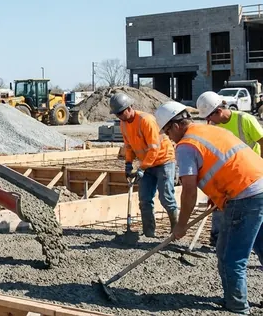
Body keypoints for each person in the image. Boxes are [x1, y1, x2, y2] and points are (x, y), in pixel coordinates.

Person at [156, 100, 263, 315]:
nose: (168, 137)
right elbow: (226, 161)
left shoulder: (186, 146)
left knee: (229, 256)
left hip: (244, 196)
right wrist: (218, 194)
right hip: (259, 184)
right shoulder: (209, 130)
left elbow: (188, 190)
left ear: (176, 125)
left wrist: (181, 225)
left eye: (167, 132)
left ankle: (237, 307)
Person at [197, 90, 263, 246]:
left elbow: (261, 141)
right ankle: (216, 238)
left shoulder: (245, 119)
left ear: (219, 111)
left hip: (248, 175)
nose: (208, 121)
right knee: (217, 204)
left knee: (252, 211)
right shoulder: (213, 125)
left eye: (209, 117)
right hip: (225, 173)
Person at [109, 93, 178, 237]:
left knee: (166, 197)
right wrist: (128, 163)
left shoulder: (146, 121)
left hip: (163, 160)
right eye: (117, 114)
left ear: (129, 108)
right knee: (144, 199)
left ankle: (176, 230)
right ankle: (149, 233)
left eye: (121, 113)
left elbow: (154, 149)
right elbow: (128, 146)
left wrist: (142, 168)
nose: (119, 117)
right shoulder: (123, 124)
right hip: (147, 164)